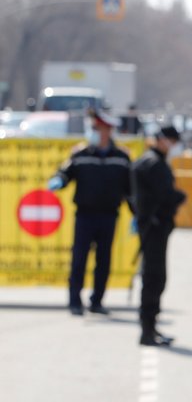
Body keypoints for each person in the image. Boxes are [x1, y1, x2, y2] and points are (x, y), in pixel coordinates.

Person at [48, 108, 132, 316]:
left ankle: (97, 301)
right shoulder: (80, 153)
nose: (93, 131)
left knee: (103, 261)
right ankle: (75, 301)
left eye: (97, 128)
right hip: (85, 215)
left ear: (107, 130)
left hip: (109, 215)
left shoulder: (121, 157)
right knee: (79, 260)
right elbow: (66, 173)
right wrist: (59, 180)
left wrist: (137, 213)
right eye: (93, 128)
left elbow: (130, 189)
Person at [131, 125, 187, 346]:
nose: (174, 146)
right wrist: (180, 196)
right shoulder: (154, 164)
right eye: (172, 141)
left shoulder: (149, 161)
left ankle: (150, 328)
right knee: (154, 279)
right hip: (155, 227)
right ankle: (147, 331)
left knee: (154, 278)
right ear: (163, 140)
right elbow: (166, 195)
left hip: (152, 226)